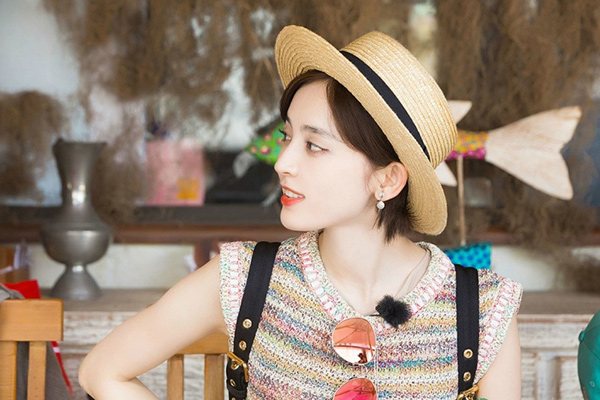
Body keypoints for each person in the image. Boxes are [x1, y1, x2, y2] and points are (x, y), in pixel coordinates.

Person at [79, 25, 522, 399]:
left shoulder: (483, 309)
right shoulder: (244, 278)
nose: (282, 163)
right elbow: (102, 371)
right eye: (287, 137)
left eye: (314, 146)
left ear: (387, 179)